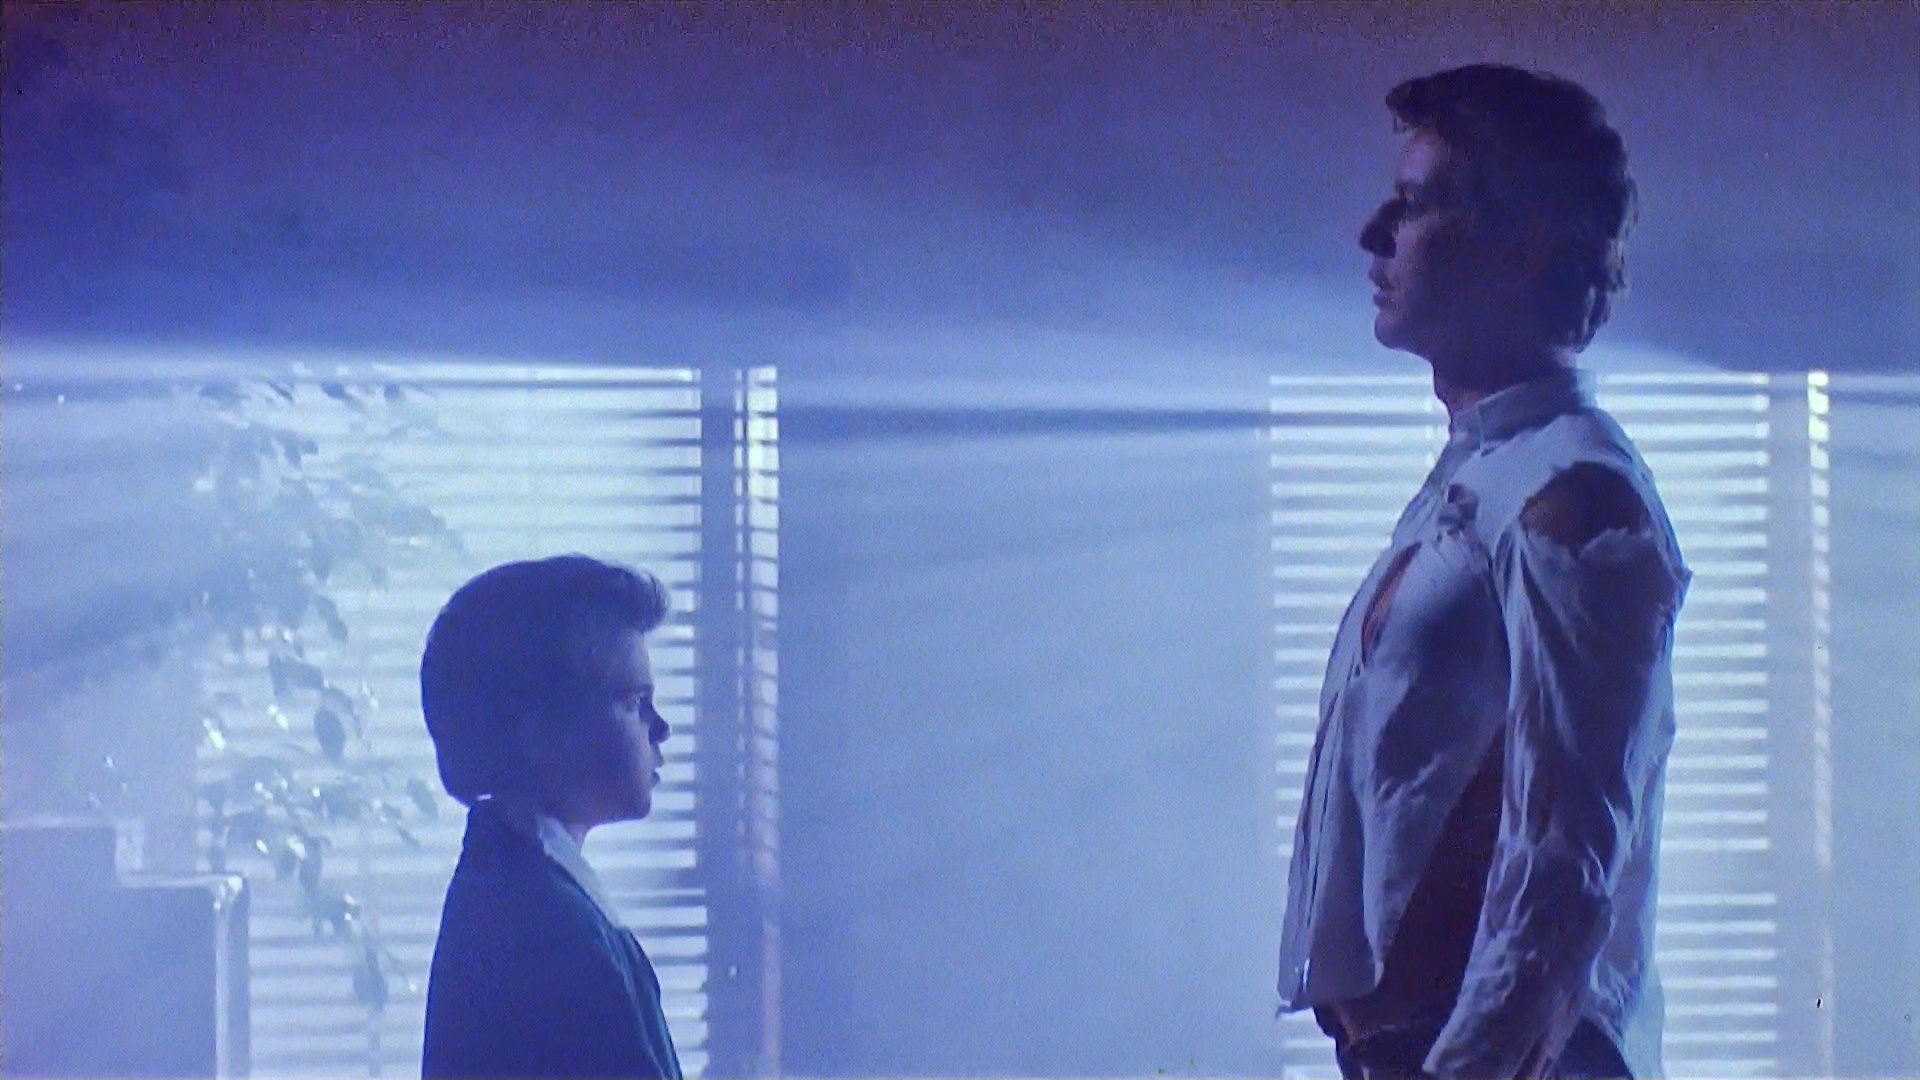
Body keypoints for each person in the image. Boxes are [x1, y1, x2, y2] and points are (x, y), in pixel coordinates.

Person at [1275, 65, 1692, 1079]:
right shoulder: (1482, 483)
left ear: (1521, 246)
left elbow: (1565, 858)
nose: (1375, 235)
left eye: (1415, 205)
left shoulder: (1572, 493)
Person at [419, 554, 682, 1080]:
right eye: (635, 701)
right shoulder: (553, 935)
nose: (661, 727)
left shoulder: (512, 887)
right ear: (539, 730)